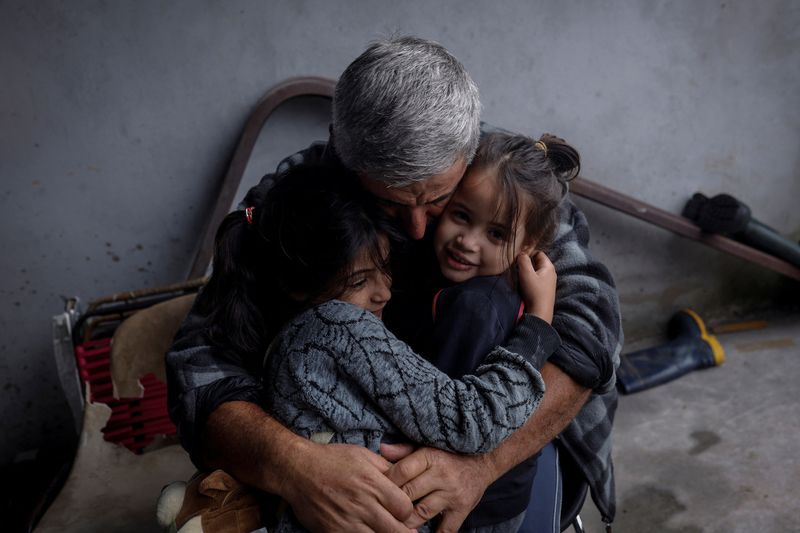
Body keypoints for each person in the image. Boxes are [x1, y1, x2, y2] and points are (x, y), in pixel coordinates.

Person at [167, 36, 622, 532]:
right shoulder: (302, 201)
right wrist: (293, 465)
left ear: (467, 154)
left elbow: (590, 332)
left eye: (441, 201)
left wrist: (479, 464)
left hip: (506, 454)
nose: (419, 232)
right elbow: (200, 365)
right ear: (345, 162)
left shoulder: (505, 178)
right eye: (388, 207)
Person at [195, 163, 559, 532]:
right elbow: (471, 420)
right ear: (303, 285)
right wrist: (538, 326)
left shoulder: (284, 337)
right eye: (359, 280)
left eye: (384, 267)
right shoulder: (341, 324)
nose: (383, 292)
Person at [393, 132, 578, 532]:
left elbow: (436, 415)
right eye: (461, 216)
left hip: (471, 507)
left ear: (529, 244)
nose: (467, 242)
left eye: (495, 234)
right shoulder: (472, 279)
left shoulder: (474, 308)